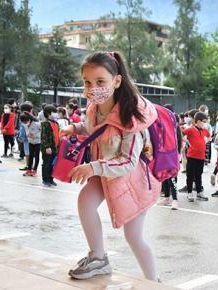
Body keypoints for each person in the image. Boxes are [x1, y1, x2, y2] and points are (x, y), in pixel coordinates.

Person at [61, 51, 160, 280]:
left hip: (133, 182)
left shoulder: (132, 117)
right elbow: (98, 130)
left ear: (117, 81)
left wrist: (92, 167)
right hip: (105, 173)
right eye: (87, 82)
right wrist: (76, 128)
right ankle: (98, 257)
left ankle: (153, 282)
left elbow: (127, 161)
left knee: (133, 237)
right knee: (85, 200)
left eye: (100, 82)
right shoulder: (94, 108)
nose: (93, 88)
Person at [157, 104, 183, 210]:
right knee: (165, 178)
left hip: (172, 157)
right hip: (164, 156)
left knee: (172, 179)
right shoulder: (163, 127)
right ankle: (167, 197)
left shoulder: (175, 129)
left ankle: (175, 199)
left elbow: (179, 144)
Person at [183, 112, 210, 202]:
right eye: (204, 121)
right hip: (192, 157)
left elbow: (210, 136)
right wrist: (185, 141)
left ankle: (199, 193)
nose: (205, 123)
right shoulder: (190, 130)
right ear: (198, 121)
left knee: (199, 175)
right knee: (190, 175)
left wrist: (207, 140)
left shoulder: (205, 130)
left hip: (201, 157)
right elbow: (181, 132)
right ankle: (189, 192)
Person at [40, 105, 59, 187]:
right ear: (48, 113)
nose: (56, 114)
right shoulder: (45, 124)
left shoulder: (56, 123)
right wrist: (47, 147)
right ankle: (45, 179)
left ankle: (51, 178)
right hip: (47, 148)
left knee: (53, 164)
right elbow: (44, 136)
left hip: (55, 147)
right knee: (46, 164)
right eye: (54, 112)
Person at [20, 113, 41, 177]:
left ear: (29, 119)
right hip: (30, 142)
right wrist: (27, 135)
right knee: (30, 155)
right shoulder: (24, 124)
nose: (25, 123)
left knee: (36, 156)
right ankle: (29, 170)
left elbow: (42, 132)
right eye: (23, 122)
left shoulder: (37, 124)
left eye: (26, 121)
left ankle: (35, 170)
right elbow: (26, 131)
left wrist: (36, 135)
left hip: (38, 142)